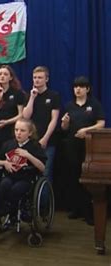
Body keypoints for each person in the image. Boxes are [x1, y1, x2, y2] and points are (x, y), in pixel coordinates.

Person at [61, 76, 105, 225]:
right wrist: (65, 123)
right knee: (74, 177)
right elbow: (64, 128)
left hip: (89, 146)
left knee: (87, 178)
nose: (78, 89)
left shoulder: (94, 104)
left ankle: (89, 212)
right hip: (72, 145)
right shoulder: (69, 105)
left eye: (81, 87)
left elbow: (101, 123)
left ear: (87, 89)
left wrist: (86, 130)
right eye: (75, 87)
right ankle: (76, 209)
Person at [0, 118, 46, 220]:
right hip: (10, 176)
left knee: (16, 189)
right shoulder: (8, 144)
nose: (18, 133)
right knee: (4, 184)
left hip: (26, 179)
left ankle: (13, 212)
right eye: (16, 130)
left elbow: (42, 167)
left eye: (22, 130)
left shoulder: (35, 146)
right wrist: (4, 163)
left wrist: (28, 155)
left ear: (30, 133)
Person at [22, 66, 60, 182]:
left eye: (40, 77)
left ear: (46, 79)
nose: (37, 80)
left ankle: (45, 200)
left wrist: (45, 138)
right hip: (32, 141)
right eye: (34, 78)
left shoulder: (53, 96)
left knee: (45, 173)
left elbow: (54, 119)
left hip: (47, 141)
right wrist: (32, 98)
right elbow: (25, 116)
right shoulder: (29, 96)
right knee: (29, 173)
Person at [0, 65, 25, 157]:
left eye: (5, 74)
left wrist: (7, 122)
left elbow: (21, 115)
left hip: (9, 134)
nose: (2, 76)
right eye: (0, 74)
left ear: (11, 77)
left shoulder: (17, 93)